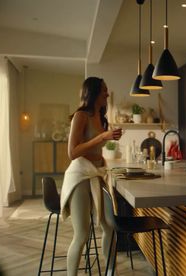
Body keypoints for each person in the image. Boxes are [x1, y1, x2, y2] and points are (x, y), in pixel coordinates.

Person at [60, 77, 122, 275]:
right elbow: (72, 152)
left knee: (110, 226)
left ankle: (110, 272)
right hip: (79, 176)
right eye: (104, 90)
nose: (107, 94)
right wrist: (102, 136)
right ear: (94, 92)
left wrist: (109, 137)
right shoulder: (81, 115)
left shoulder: (102, 118)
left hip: (97, 174)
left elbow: (97, 148)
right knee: (82, 235)